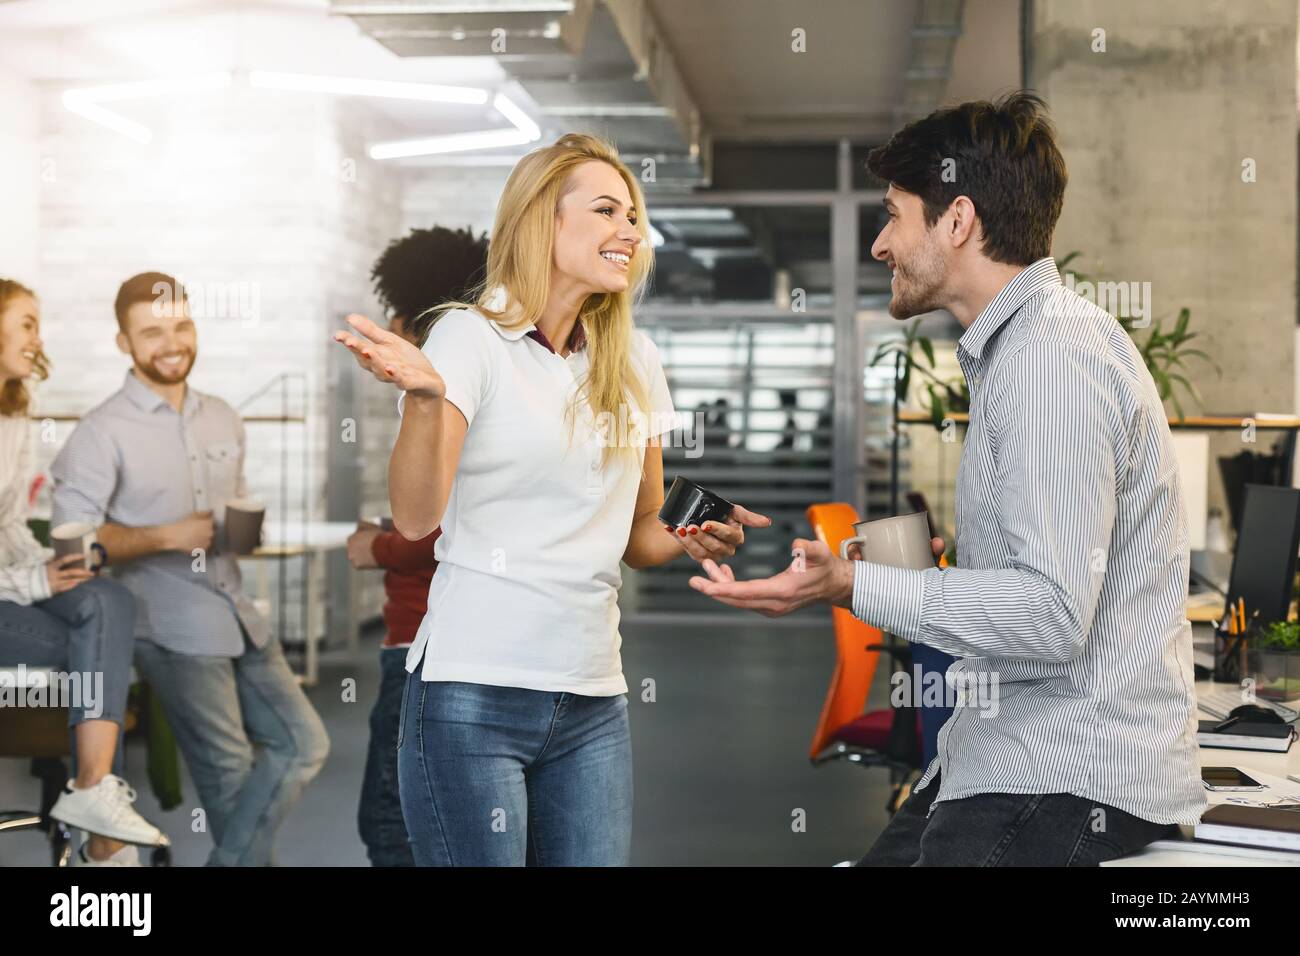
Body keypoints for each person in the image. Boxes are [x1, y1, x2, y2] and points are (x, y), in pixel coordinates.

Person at [688, 93, 1205, 866]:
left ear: (957, 221)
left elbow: (1052, 615)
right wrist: (892, 569)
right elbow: (1035, 587)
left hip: (1065, 778)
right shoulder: (1024, 352)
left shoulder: (1048, 362)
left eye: (894, 215)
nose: (880, 244)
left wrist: (850, 587)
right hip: (1001, 757)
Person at [334, 133, 771, 866]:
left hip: (593, 697)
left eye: (633, 215)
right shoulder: (469, 339)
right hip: (471, 695)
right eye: (606, 210)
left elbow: (641, 532)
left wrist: (699, 530)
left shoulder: (633, 358)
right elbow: (415, 516)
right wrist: (423, 401)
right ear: (544, 219)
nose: (630, 230)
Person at [51, 272, 330, 866]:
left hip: (239, 615)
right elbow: (69, 550)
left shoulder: (223, 416)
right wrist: (168, 534)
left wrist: (243, 531)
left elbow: (237, 505)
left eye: (180, 325)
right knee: (230, 782)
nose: (170, 341)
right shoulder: (100, 432)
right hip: (171, 627)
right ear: (124, 342)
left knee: (305, 743)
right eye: (151, 332)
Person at [0, 278, 166, 866]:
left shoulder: (13, 412)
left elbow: (11, 524)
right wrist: (34, 584)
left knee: (108, 604)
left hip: (10, 586)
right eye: (26, 323)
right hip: (8, 596)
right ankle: (104, 841)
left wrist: (44, 565)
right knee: (99, 640)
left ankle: (93, 794)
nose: (38, 337)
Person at [348, 225, 488, 867]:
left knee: (391, 818)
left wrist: (372, 547)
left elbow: (428, 530)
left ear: (407, 322)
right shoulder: (487, 374)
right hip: (471, 641)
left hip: (420, 641)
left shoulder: (439, 395)